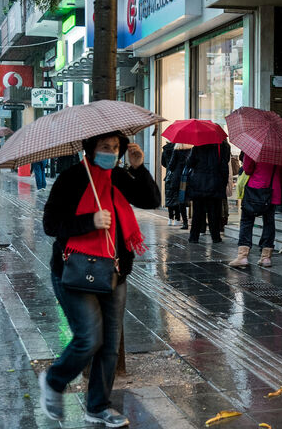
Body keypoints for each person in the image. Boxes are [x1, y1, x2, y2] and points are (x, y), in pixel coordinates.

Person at [39, 132, 160, 427]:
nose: (112, 152)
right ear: (91, 149)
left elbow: (151, 200)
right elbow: (50, 224)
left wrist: (139, 167)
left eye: (116, 147)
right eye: (105, 147)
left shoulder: (118, 176)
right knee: (89, 338)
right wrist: (89, 221)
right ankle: (54, 381)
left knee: (109, 343)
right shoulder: (72, 178)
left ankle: (97, 407)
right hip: (74, 271)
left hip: (114, 271)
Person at [231, 153, 282, 268]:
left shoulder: (255, 147)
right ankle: (266, 258)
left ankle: (243, 256)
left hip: (255, 189)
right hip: (273, 191)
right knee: (269, 222)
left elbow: (248, 169)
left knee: (247, 221)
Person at [185, 140, 230, 244]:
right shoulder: (222, 147)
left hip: (199, 183)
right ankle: (216, 237)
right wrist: (223, 183)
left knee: (197, 212)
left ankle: (193, 237)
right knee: (214, 213)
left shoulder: (198, 146)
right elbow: (224, 166)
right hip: (215, 183)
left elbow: (189, 163)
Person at [161, 141, 190, 229]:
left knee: (179, 199)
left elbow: (170, 166)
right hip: (188, 177)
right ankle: (183, 220)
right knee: (187, 199)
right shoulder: (191, 150)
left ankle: (184, 222)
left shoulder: (176, 151)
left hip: (177, 178)